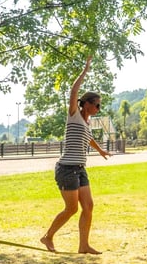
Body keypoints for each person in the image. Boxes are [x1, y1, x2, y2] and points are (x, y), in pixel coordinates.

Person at [41, 56, 110, 254]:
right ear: (86, 104)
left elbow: (88, 139)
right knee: (71, 208)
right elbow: (73, 91)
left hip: (80, 169)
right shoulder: (74, 115)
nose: (98, 109)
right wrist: (85, 70)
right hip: (67, 169)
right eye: (97, 105)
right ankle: (47, 237)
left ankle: (84, 246)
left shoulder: (86, 124)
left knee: (88, 206)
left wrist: (101, 151)